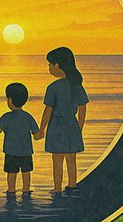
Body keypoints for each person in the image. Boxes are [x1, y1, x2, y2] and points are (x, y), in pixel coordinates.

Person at [38, 46, 88, 193]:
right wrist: (79, 127)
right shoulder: (76, 85)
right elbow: (83, 107)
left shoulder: (53, 87)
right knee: (71, 159)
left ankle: (57, 188)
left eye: (50, 64)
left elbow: (48, 111)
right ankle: (72, 184)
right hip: (72, 124)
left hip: (57, 125)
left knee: (57, 160)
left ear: (57, 66)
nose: (49, 68)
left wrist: (42, 129)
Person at [0, 82, 40, 198]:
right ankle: (26, 191)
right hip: (26, 152)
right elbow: (37, 133)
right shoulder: (28, 117)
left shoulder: (6, 117)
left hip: (11, 152)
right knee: (26, 173)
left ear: (10, 100)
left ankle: (11, 191)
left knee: (11, 173)